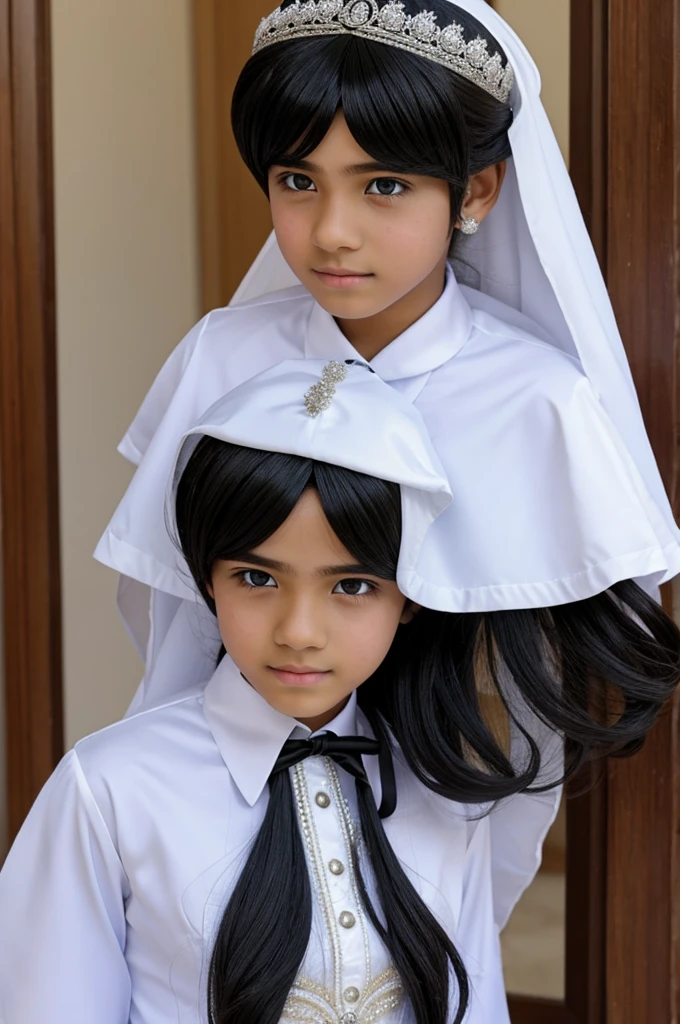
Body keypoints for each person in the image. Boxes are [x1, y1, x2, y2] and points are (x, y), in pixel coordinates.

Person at [1, 361, 678, 1024]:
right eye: (257, 579)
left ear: (409, 595)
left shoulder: (443, 781)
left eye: (351, 586)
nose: (299, 632)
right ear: (207, 576)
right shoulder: (110, 790)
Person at [95, 0, 680, 718]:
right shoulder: (222, 354)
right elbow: (178, 628)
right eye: (299, 182)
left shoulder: (537, 400)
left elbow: (557, 686)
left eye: (384, 186)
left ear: (478, 190)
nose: (333, 232)